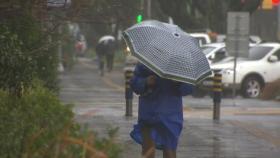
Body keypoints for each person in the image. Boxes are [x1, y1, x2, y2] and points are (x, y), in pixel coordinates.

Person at [130, 63, 193, 158]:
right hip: (148, 114)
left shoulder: (180, 65)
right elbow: (134, 83)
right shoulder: (146, 62)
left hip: (170, 115)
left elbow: (188, 88)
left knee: (170, 150)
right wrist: (146, 82)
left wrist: (179, 82)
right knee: (148, 150)